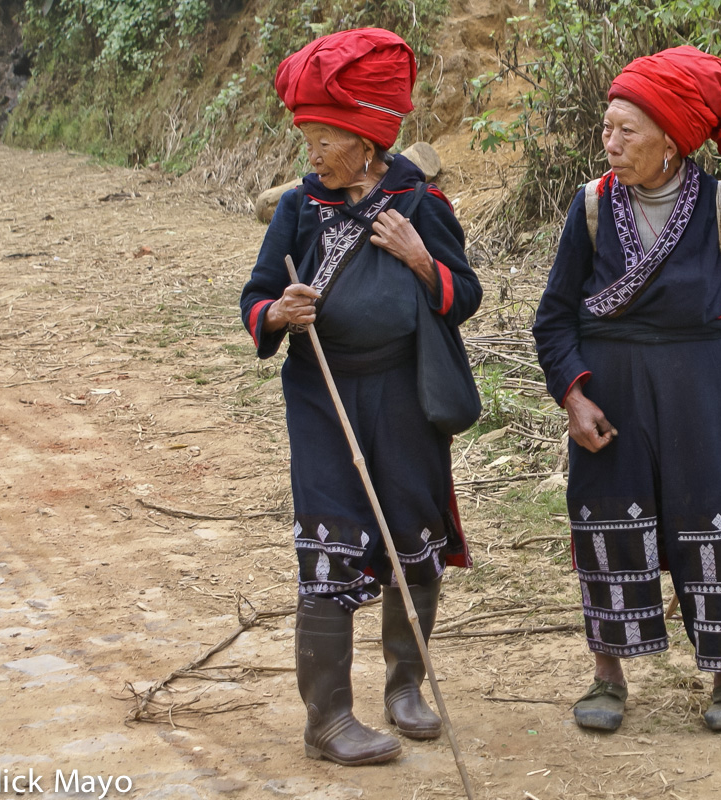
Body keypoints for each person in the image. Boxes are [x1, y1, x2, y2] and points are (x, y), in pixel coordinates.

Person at [239, 28, 481, 765]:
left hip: (406, 395)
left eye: (323, 137)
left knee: (411, 528)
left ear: (367, 141)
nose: (310, 152)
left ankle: (404, 687)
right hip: (322, 395)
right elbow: (255, 296)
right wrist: (279, 313)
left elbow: (463, 295)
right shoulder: (298, 209)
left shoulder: (420, 203)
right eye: (307, 136)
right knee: (330, 542)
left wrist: (415, 255)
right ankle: (328, 720)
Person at [533, 46, 721, 733]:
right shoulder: (588, 209)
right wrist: (573, 398)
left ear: (671, 141)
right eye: (605, 129)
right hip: (611, 395)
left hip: (701, 391)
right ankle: (608, 675)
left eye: (625, 131)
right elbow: (552, 318)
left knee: (711, 520)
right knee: (609, 521)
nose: (609, 144)